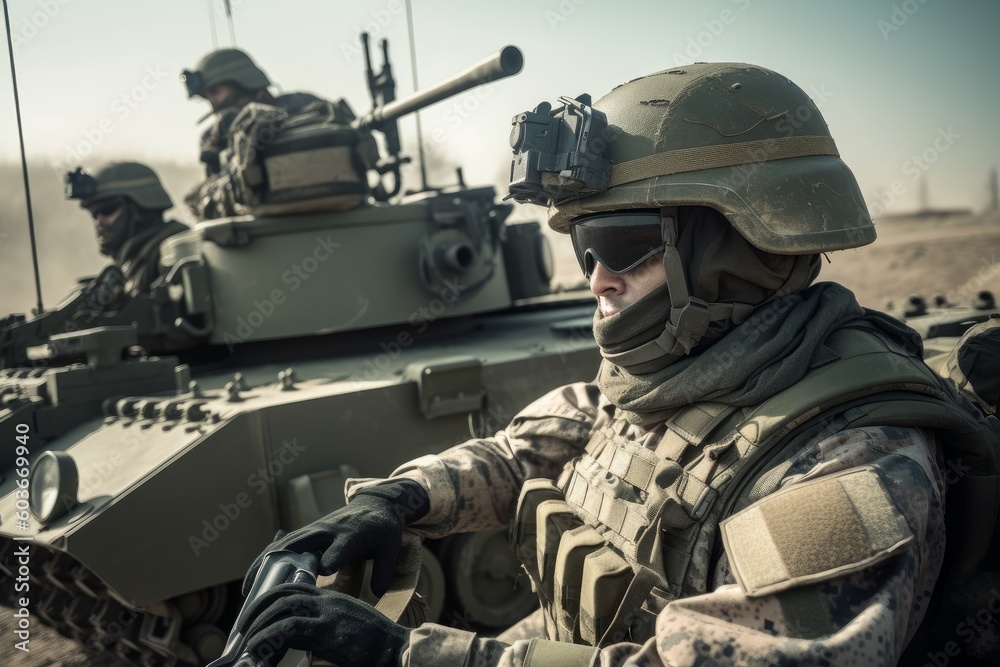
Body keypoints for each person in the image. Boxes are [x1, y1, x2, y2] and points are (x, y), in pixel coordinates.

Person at [230, 63, 999, 666]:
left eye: (625, 245)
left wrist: (409, 652)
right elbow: (527, 446)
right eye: (584, 247)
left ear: (733, 245)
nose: (596, 277)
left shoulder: (852, 456)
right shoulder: (673, 373)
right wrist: (398, 499)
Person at [181, 48, 331, 219]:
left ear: (244, 83)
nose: (213, 103)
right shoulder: (215, 136)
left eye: (216, 92)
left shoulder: (303, 105)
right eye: (208, 96)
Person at [66, 161, 188, 298]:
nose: (98, 221)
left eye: (107, 210)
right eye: (94, 214)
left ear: (139, 209)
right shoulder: (133, 263)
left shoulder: (173, 253)